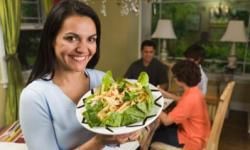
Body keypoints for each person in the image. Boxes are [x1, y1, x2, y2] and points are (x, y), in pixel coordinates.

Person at [19, 0, 139, 149]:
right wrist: (98, 142)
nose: (83, 49)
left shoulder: (102, 79)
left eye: (91, 39)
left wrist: (130, 128)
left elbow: (116, 134)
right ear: (51, 40)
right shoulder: (35, 96)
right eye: (71, 38)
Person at [151, 60, 211, 150]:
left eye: (175, 76)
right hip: (199, 133)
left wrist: (153, 104)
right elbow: (180, 100)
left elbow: (166, 121)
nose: (174, 79)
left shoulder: (189, 100)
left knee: (152, 134)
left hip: (192, 140)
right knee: (160, 128)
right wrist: (163, 92)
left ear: (181, 79)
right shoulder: (194, 91)